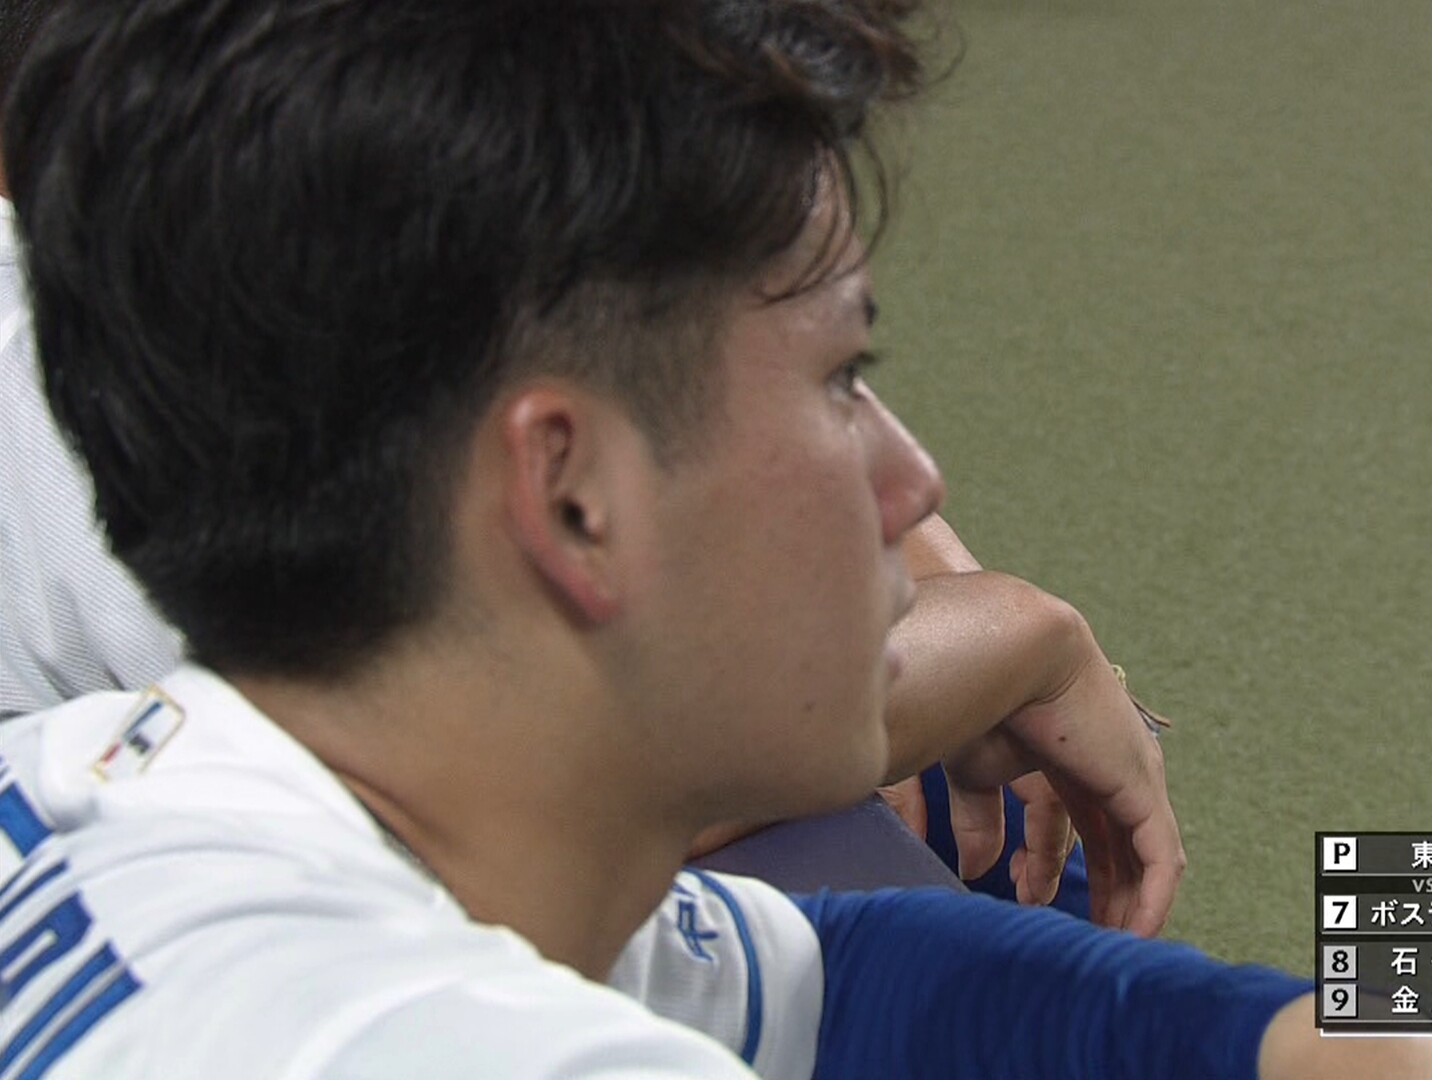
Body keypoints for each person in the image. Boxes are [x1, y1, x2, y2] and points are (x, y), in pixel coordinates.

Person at [0, 1, 1432, 1077]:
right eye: (844, 379)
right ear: (569, 494)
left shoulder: (112, 777)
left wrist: (1307, 1041)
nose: (912, 477)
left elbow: (817, 972)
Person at [0, 0, 1169, 926]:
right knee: (913, 883)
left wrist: (937, 587)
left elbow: (704, 340)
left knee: (1018, 822)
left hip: (462, 767)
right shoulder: (102, 365)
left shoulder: (304, 194)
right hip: (388, 878)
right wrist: (1010, 643)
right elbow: (498, 801)